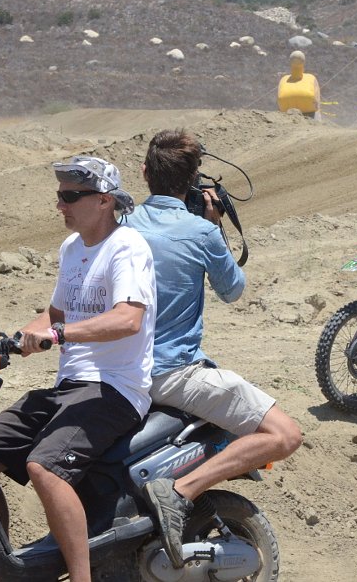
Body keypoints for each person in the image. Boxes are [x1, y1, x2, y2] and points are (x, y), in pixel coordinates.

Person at [125, 129, 303, 569]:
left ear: (145, 172)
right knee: (285, 435)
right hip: (174, 373)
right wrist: (214, 224)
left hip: (120, 368)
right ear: (191, 181)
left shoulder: (121, 224)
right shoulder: (200, 230)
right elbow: (233, 289)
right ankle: (182, 490)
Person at [0, 156, 156, 582]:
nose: (61, 205)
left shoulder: (128, 247)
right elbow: (55, 314)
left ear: (104, 201)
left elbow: (127, 318)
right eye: (60, 195)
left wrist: (60, 336)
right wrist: (4, 345)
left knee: (45, 467)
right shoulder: (72, 248)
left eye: (71, 196)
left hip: (114, 388)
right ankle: (3, 567)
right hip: (70, 386)